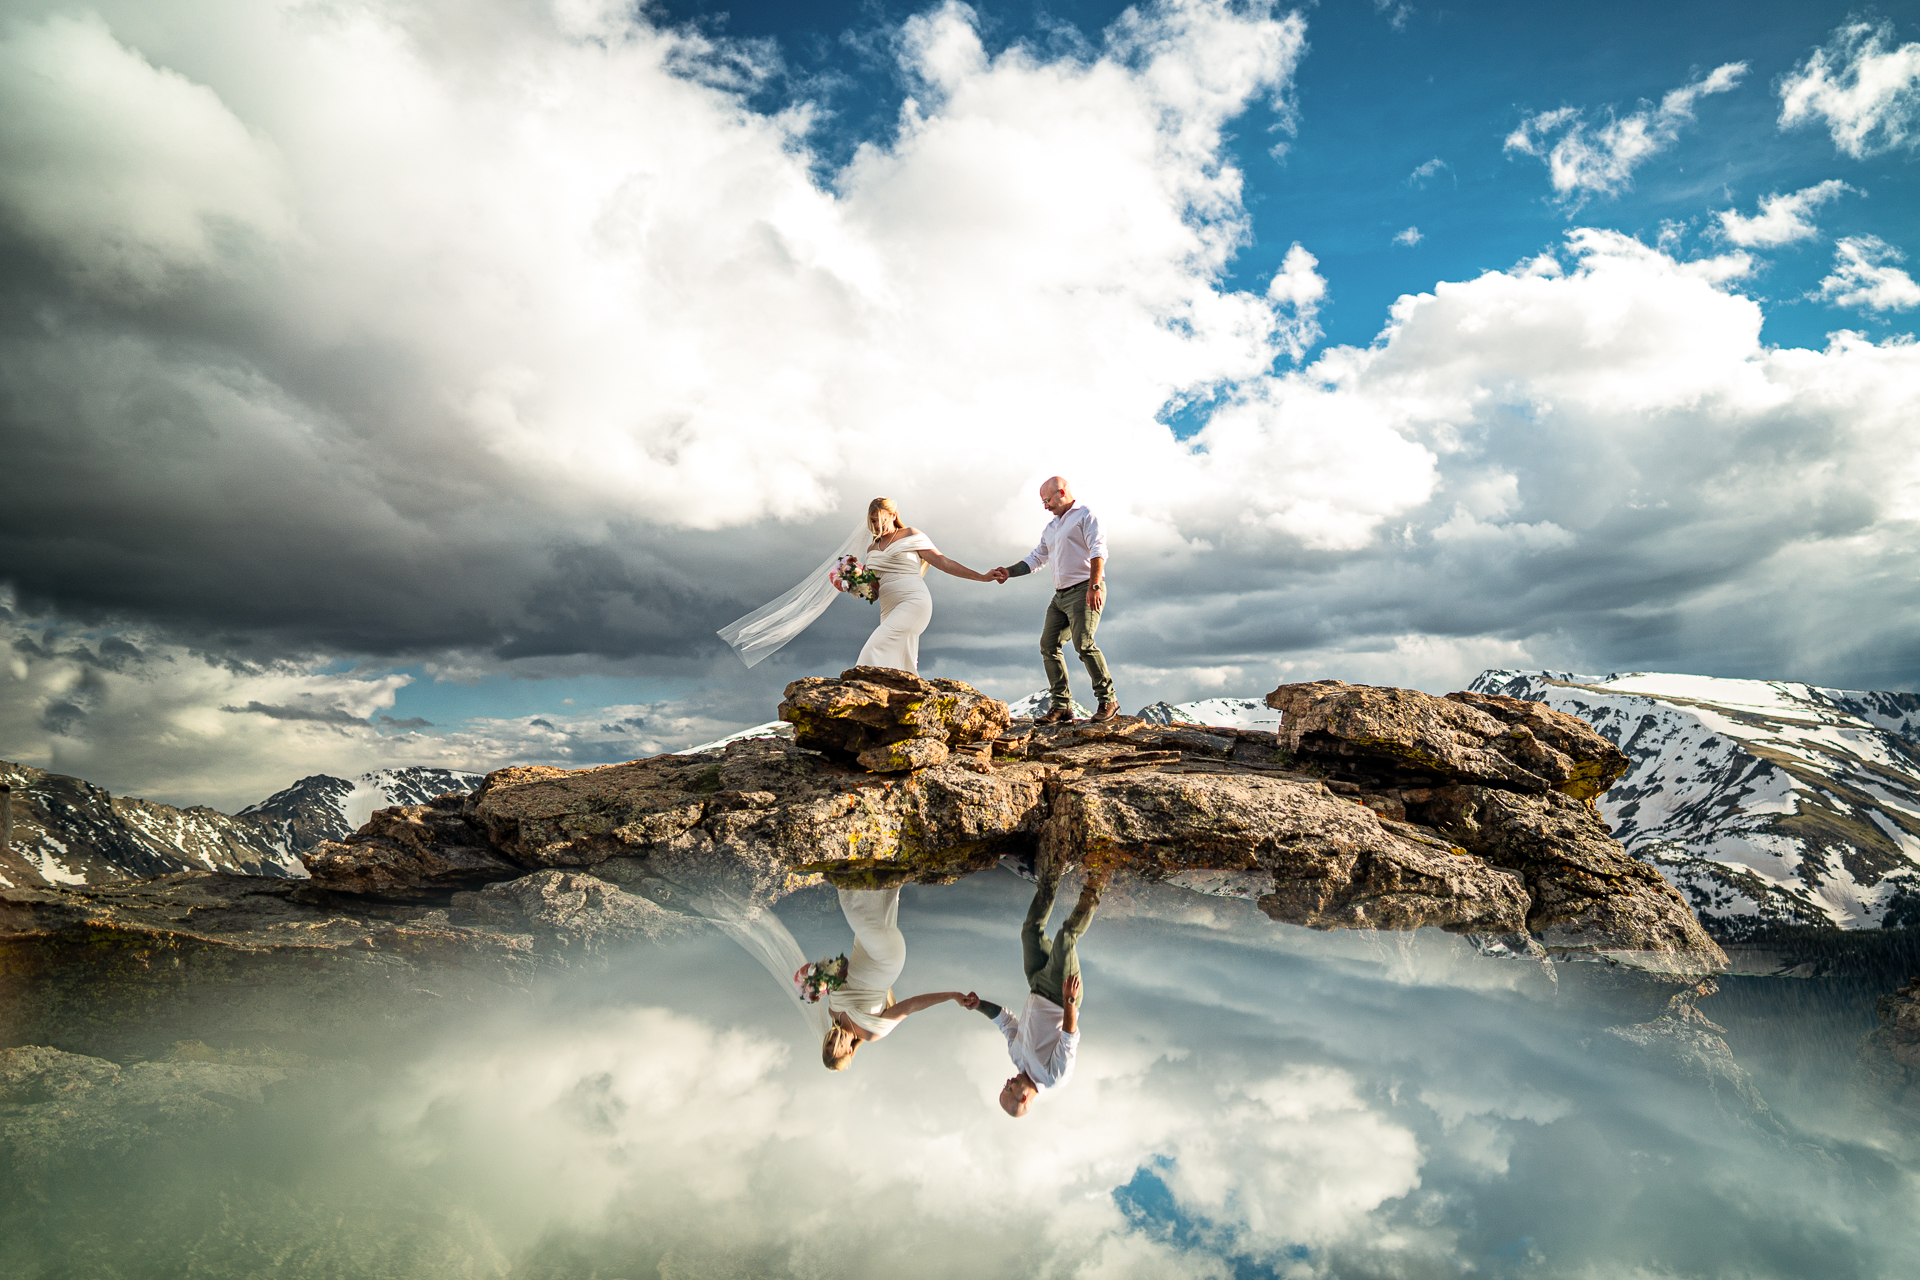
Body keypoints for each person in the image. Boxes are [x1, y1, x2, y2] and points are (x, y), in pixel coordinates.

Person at [961, 860, 1106, 1116]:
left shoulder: (1017, 1058)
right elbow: (1069, 1039)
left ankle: (1051, 875)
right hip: (1061, 993)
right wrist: (1070, 1001)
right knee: (1066, 937)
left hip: (1035, 981)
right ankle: (1099, 878)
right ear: (1024, 1097)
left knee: (1030, 931)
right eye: (1009, 1089)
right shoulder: (1053, 1078)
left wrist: (979, 1005)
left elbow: (1005, 1022)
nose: (1007, 1083)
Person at [988, 477, 1117, 723]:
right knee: (1048, 645)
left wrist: (1095, 585)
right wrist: (1009, 571)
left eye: (1047, 500)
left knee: (1084, 644)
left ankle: (1108, 700)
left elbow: (1099, 550)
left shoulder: (1086, 515)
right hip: (1060, 595)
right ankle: (1062, 706)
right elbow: (1037, 558)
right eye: (1042, 502)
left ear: (1061, 492)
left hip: (1084, 589)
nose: (1045, 506)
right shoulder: (1051, 528)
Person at [821, 882, 972, 1070]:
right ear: (849, 1051)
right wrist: (952, 995)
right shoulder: (871, 1032)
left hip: (861, 946)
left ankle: (893, 868)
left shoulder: (833, 1011)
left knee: (879, 897)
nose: (834, 1041)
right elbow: (912, 1005)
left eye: (829, 1044)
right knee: (853, 904)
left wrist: (821, 977)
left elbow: (839, 965)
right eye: (837, 1047)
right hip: (885, 960)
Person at [851, 497, 996, 674]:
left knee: (873, 648)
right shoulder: (871, 550)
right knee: (898, 664)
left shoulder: (910, 534)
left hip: (913, 602)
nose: (877, 525)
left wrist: (982, 577)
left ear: (893, 515)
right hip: (888, 611)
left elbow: (944, 562)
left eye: (881, 520)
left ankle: (857, 691)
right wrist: (855, 583)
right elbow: (873, 593)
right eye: (873, 521)